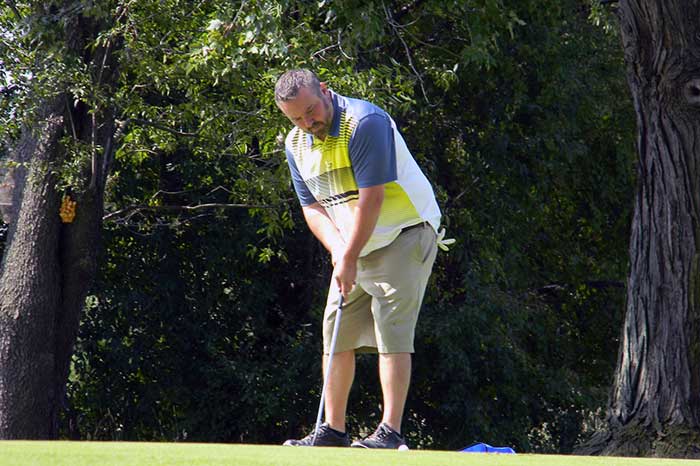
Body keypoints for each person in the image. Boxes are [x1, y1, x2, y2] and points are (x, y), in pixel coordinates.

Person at [275, 69, 449, 449]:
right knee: (335, 330)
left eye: (311, 111)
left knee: (391, 327)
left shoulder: (364, 123)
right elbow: (313, 208)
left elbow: (373, 199)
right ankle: (332, 430)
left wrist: (348, 255)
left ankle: (390, 431)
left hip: (406, 231)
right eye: (297, 118)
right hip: (356, 244)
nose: (307, 122)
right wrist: (340, 252)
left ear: (325, 89)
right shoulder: (295, 143)